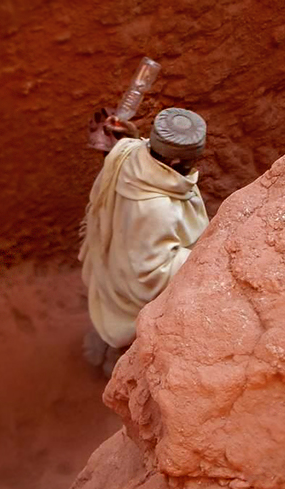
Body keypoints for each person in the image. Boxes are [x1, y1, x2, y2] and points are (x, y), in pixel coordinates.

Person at [79, 108, 210, 377]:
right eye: (191, 161)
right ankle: (113, 365)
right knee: (128, 332)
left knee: (110, 315)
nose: (195, 165)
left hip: (115, 257)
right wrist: (203, 254)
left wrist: (127, 139)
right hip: (131, 278)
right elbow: (149, 274)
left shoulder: (131, 154)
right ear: (173, 163)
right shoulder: (157, 208)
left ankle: (100, 346)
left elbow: (119, 152)